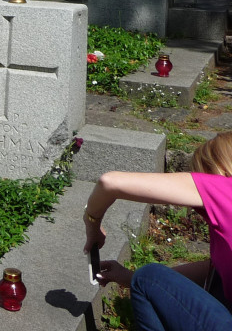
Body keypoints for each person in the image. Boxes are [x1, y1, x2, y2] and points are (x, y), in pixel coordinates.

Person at [84, 132, 232, 331]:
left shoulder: (224, 187)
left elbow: (110, 183)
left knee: (149, 276)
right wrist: (129, 277)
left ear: (218, 169)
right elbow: (215, 269)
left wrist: (92, 223)